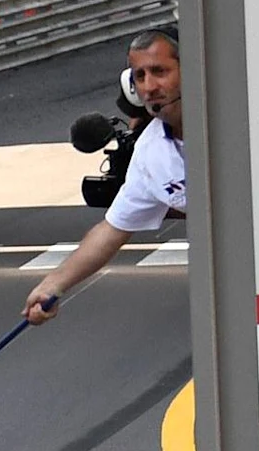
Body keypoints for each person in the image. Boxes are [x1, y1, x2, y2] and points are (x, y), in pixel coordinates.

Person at [23, 27, 188, 324]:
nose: (149, 86)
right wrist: (53, 284)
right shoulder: (150, 154)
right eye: (140, 76)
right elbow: (111, 231)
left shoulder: (246, 120)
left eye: (160, 71)